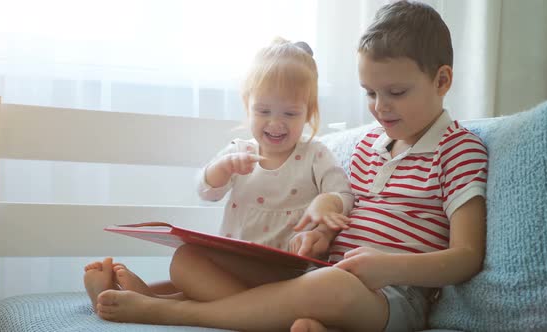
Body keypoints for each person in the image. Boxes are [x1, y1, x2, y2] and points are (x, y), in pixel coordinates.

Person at [92, 1, 489, 331]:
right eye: (370, 92)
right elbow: (341, 209)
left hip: (392, 296)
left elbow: (466, 256)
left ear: (441, 80)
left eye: (396, 92)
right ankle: (289, 320)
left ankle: (169, 310)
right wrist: (319, 226)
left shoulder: (459, 150)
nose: (380, 107)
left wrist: (386, 268)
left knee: (330, 287)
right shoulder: (370, 143)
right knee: (188, 259)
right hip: (316, 274)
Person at [83, 38, 354, 310]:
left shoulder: (314, 154)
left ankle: (148, 302)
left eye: (290, 113)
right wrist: (222, 169)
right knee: (190, 273)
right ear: (247, 106)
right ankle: (130, 297)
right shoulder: (239, 151)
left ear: (309, 113)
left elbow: (343, 193)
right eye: (263, 111)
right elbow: (206, 190)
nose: (276, 122)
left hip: (284, 270)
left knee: (185, 262)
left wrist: (329, 202)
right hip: (236, 263)